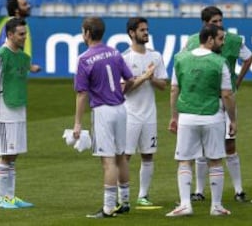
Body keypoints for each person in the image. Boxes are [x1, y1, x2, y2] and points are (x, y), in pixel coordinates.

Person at [73, 17, 149, 218]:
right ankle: (124, 202)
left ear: (88, 33)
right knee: (121, 157)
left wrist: (78, 123)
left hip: (103, 111)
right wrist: (120, 94)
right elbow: (130, 79)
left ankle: (108, 207)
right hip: (121, 108)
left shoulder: (84, 59)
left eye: (83, 31)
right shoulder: (115, 53)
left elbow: (82, 94)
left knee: (108, 162)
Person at [166, 24, 236, 217]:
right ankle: (216, 206)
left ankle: (185, 204)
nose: (223, 43)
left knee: (184, 161)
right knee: (215, 160)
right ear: (210, 39)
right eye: (220, 39)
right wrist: (233, 119)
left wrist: (174, 116)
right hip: (213, 116)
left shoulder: (180, 59)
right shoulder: (220, 62)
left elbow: (174, 89)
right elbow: (227, 94)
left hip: (187, 117)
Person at [185, 6, 252, 202]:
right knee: (201, 148)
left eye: (220, 21)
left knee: (230, 144)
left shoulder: (232, 40)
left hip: (225, 99)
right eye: (215, 22)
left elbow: (248, 59)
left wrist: (237, 82)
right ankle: (199, 191)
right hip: (202, 99)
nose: (219, 25)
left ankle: (239, 190)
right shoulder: (192, 41)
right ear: (205, 24)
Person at [122, 17, 168, 206]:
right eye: (142, 30)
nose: (146, 33)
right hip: (129, 114)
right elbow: (123, 89)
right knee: (125, 156)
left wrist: (151, 78)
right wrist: (144, 76)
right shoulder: (124, 58)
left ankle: (143, 195)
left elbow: (163, 85)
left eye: (147, 29)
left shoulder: (155, 57)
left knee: (148, 154)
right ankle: (122, 195)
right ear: (132, 33)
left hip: (149, 114)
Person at [0, 17, 40, 209]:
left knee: (14, 155)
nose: (24, 37)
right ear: (9, 34)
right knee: (5, 153)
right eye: (21, 34)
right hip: (4, 110)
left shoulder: (24, 57)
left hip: (19, 108)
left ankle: (10, 196)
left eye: (25, 34)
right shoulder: (1, 55)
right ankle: (1, 197)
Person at [0, 0, 40, 72]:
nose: (29, 6)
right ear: (16, 10)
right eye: (25, 4)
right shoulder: (12, 25)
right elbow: (4, 51)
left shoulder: (16, 24)